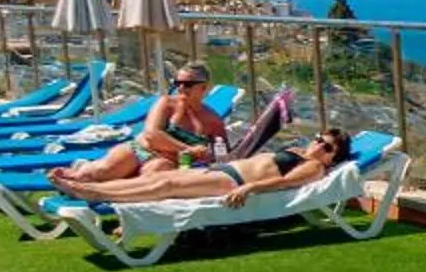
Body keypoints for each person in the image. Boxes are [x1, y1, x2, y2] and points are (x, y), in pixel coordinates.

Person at [52, 128, 355, 207]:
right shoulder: (302, 151)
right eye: (319, 139)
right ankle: (92, 188)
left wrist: (250, 186)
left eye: (327, 147)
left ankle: (93, 193)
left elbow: (285, 183)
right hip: (225, 171)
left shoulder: (314, 168)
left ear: (333, 158)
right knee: (166, 177)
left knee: (164, 187)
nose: (319, 146)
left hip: (232, 183)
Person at [50, 65, 230, 186]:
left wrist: (206, 154)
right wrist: (188, 148)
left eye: (188, 84)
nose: (181, 88)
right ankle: (83, 169)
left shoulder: (213, 120)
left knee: (146, 183)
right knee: (99, 173)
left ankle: (125, 212)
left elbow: (223, 153)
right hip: (141, 149)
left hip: (168, 160)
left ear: (204, 88)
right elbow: (152, 134)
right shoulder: (166, 103)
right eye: (178, 83)